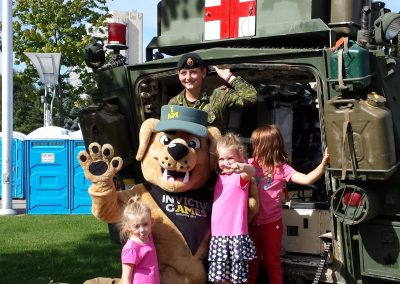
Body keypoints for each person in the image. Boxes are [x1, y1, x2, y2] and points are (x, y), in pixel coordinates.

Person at [247, 125, 330, 284]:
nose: (253, 147)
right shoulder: (249, 164)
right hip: (251, 222)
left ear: (267, 145)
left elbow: (307, 179)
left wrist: (323, 164)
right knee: (251, 262)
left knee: (272, 262)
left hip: (271, 224)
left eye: (256, 143)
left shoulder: (282, 168)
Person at [208, 132, 257, 284]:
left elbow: (252, 171)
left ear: (240, 158)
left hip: (235, 235)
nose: (225, 162)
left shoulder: (240, 177)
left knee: (235, 279)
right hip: (218, 237)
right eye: (221, 159)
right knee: (218, 279)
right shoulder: (217, 178)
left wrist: (242, 166)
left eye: (230, 158)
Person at [168, 52, 257, 133]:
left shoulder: (219, 95)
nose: (188, 77)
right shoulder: (174, 103)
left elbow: (250, 97)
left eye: (193, 72)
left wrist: (229, 77)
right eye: (183, 73)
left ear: (203, 73)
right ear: (178, 75)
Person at [119, 195, 160, 284]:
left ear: (151, 221)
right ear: (129, 227)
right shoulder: (131, 249)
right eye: (136, 226)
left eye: (145, 224)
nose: (142, 230)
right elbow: (126, 278)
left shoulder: (148, 236)